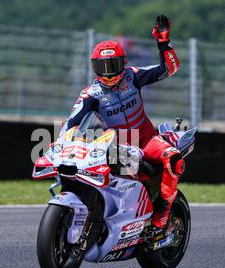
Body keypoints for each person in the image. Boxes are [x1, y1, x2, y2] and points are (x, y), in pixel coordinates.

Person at [64, 15, 184, 238]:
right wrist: (62, 144)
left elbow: (170, 68)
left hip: (146, 137)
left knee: (174, 158)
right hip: (114, 144)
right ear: (94, 68)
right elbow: (71, 124)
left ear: (124, 63)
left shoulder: (134, 76)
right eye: (103, 66)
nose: (109, 72)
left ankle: (163, 214)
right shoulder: (91, 94)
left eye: (114, 65)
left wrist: (163, 42)